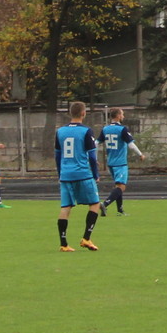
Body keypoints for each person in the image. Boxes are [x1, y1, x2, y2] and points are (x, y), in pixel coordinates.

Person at [54, 102, 102, 252]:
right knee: (94, 204)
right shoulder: (86, 131)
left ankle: (64, 244)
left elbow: (57, 155)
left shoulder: (60, 131)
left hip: (66, 175)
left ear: (70, 113)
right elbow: (92, 157)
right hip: (83, 173)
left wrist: (59, 173)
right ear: (83, 113)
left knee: (65, 207)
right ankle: (86, 238)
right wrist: (96, 174)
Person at [99, 108, 142, 216]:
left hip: (110, 162)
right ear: (118, 115)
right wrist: (140, 154)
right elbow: (131, 144)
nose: (123, 116)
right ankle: (105, 204)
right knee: (121, 187)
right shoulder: (122, 129)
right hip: (120, 163)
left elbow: (95, 142)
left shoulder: (105, 129)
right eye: (122, 114)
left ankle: (120, 210)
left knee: (118, 185)